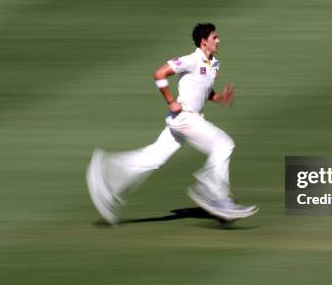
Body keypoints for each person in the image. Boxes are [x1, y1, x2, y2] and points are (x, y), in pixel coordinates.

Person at [87, 23, 258, 224]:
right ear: (204, 42)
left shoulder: (214, 64)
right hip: (185, 117)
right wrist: (171, 101)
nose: (218, 41)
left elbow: (203, 88)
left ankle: (106, 175)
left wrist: (219, 97)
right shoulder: (191, 60)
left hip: (187, 120)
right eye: (215, 37)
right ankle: (214, 194)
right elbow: (159, 74)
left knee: (153, 159)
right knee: (224, 144)